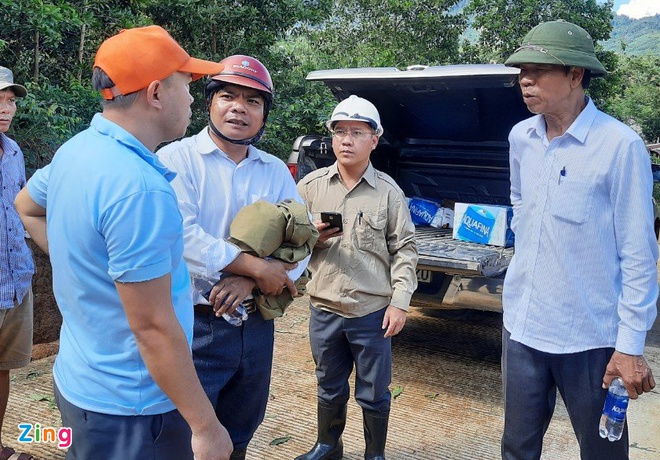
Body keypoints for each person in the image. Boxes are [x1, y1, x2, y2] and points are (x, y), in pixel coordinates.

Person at [13, 26, 233, 460]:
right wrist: (206, 426)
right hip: (133, 409)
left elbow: (26, 206)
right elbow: (152, 328)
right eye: (186, 85)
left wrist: (83, 266)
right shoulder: (139, 189)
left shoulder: (77, 150)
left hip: (79, 384)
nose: (193, 99)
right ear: (155, 93)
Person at [501, 20, 657, 460]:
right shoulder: (521, 138)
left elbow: (640, 255)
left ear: (576, 75)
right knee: (516, 448)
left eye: (538, 70)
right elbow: (520, 205)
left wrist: (629, 347)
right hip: (523, 327)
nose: (525, 80)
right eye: (521, 71)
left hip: (589, 337)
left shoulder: (619, 146)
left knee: (603, 451)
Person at [156, 55, 309, 460]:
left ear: (263, 115)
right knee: (187, 433)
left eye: (253, 101)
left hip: (256, 323)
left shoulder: (275, 171)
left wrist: (250, 279)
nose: (239, 107)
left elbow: (301, 244)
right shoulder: (176, 161)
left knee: (241, 429)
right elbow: (182, 235)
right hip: (195, 323)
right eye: (228, 95)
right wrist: (255, 264)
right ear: (210, 104)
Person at [295, 95, 418, 460]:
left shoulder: (389, 193)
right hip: (324, 308)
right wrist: (311, 239)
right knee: (328, 386)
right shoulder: (310, 188)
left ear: (374, 140)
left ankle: (374, 454)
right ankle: (328, 446)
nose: (346, 140)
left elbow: (406, 250)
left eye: (357, 132)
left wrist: (400, 303)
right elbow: (288, 245)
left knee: (374, 391)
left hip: (371, 312)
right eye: (340, 132)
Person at [0, 66, 36, 460]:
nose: (6, 108)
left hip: (15, 282)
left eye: (10, 100)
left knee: (3, 369)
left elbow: (22, 211)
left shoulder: (13, 151)